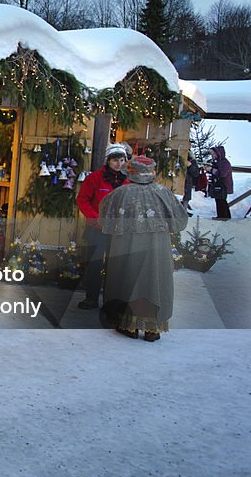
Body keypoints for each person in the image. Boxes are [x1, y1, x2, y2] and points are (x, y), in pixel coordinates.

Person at [98, 156, 188, 342]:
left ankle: (127, 325)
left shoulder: (120, 193)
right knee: (154, 280)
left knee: (127, 278)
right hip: (157, 248)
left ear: (130, 172)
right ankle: (152, 329)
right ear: (151, 172)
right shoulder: (163, 192)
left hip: (126, 246)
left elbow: (104, 218)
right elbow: (180, 220)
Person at [74, 142, 130, 309]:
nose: (118, 164)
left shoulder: (128, 181)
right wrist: (95, 219)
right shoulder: (95, 178)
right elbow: (82, 200)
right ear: (108, 161)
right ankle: (91, 298)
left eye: (121, 160)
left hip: (118, 230)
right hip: (97, 229)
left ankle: (112, 300)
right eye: (115, 160)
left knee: (116, 266)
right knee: (94, 264)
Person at [208, 145, 233, 220]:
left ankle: (223, 217)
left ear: (218, 154)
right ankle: (223, 217)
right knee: (220, 201)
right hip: (220, 186)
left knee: (221, 202)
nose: (212, 155)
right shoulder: (219, 162)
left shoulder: (224, 162)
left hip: (223, 186)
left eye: (213, 154)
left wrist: (211, 170)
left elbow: (222, 174)